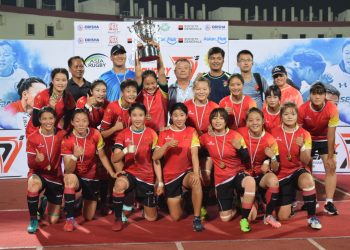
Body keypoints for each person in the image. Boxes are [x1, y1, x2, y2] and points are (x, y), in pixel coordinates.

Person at [200, 108, 256, 233]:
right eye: (214, 118)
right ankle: (235, 204)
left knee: (250, 182)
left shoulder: (235, 135)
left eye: (221, 118)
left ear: (226, 121)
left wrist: (240, 148)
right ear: (210, 122)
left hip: (237, 173)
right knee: (225, 218)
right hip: (221, 179)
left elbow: (247, 159)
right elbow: (195, 148)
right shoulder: (205, 138)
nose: (218, 121)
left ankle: (244, 219)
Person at [61, 109, 116, 232]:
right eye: (78, 121)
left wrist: (111, 172)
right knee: (69, 179)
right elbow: (69, 170)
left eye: (84, 121)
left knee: (89, 217)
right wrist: (75, 156)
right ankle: (70, 219)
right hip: (75, 176)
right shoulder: (67, 139)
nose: (81, 124)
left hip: (91, 177)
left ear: (88, 122)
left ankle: (77, 201)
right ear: (72, 122)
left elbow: (102, 156)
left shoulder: (96, 134)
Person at [153, 103, 204, 232]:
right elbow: (155, 157)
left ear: (186, 116)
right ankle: (184, 199)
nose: (179, 118)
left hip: (186, 172)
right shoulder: (165, 133)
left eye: (182, 115)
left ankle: (197, 218)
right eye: (175, 115)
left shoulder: (191, 131)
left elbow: (194, 154)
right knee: (176, 217)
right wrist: (167, 145)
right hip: (170, 177)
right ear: (171, 117)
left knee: (195, 181)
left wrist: (197, 173)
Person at [111, 103, 161, 231]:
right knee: (119, 184)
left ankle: (138, 200)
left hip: (146, 177)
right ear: (130, 117)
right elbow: (114, 159)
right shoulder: (122, 134)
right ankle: (118, 218)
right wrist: (126, 150)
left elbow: (156, 160)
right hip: (130, 174)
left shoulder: (152, 134)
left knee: (151, 218)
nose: (137, 118)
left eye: (140, 115)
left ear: (145, 116)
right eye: (134, 115)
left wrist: (159, 181)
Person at [272, 102, 322, 229]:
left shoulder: (305, 134)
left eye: (293, 114)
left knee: (308, 179)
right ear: (281, 116)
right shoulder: (273, 133)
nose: (290, 117)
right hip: (282, 175)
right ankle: (292, 201)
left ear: (297, 116)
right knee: (282, 216)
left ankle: (312, 217)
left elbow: (306, 161)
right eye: (286, 114)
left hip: (297, 171)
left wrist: (302, 147)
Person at [298, 82, 339, 215]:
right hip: (308, 138)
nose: (317, 97)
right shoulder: (303, 109)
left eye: (320, 94)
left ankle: (329, 202)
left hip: (325, 139)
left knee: (331, 167)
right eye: (314, 94)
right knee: (306, 169)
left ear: (324, 96)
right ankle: (311, 200)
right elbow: (299, 131)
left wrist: (331, 157)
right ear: (310, 95)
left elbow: (331, 135)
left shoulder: (332, 109)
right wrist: (303, 147)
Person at [237, 108, 281, 228]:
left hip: (260, 177)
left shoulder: (270, 139)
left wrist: (272, 158)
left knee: (273, 180)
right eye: (251, 120)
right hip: (244, 176)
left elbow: (276, 168)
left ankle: (268, 215)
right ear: (246, 123)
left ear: (263, 121)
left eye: (257, 120)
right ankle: (251, 199)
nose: (254, 123)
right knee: (251, 217)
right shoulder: (240, 132)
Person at [25, 107, 65, 233]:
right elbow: (30, 163)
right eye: (44, 119)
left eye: (51, 118)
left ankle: (45, 201)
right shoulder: (32, 138)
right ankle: (33, 219)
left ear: (55, 119)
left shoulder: (62, 134)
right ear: (40, 120)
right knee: (32, 185)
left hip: (56, 176)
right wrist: (37, 160)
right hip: (38, 173)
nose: (48, 122)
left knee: (53, 220)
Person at [76, 80, 110, 215]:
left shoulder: (107, 104)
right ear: (91, 91)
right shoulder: (82, 101)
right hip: (81, 138)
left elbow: (106, 124)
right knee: (80, 169)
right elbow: (79, 121)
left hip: (97, 137)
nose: (101, 93)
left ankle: (103, 202)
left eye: (103, 91)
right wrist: (88, 106)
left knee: (101, 171)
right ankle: (74, 200)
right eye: (98, 90)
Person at [26, 68, 76, 136]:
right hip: (35, 132)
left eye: (64, 80)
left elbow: (69, 119)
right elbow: (35, 122)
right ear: (52, 81)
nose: (61, 83)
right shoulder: (41, 96)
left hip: (52, 131)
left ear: (67, 81)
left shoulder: (68, 97)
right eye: (57, 80)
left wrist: (64, 133)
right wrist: (50, 109)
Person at [135, 47, 168, 133]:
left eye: (153, 83)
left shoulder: (162, 93)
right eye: (147, 84)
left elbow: (161, 72)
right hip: (143, 132)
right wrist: (137, 51)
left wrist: (158, 50)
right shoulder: (140, 94)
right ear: (142, 84)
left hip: (161, 132)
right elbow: (138, 74)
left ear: (157, 82)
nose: (150, 87)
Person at [326, 40, 350, 124]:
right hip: (335, 120)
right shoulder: (331, 72)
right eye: (347, 53)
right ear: (342, 54)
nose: (349, 56)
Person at [0, 41, 29, 107]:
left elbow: (27, 101)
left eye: (6, 55)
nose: (1, 59)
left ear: (14, 58)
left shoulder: (21, 75)